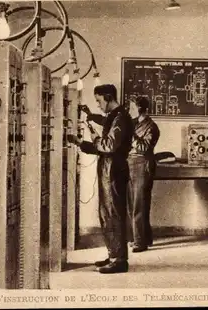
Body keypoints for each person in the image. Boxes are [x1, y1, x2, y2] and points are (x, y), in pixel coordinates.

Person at [67, 84, 134, 274]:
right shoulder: (115, 117)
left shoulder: (121, 117)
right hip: (108, 167)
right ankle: (113, 254)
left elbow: (109, 145)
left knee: (113, 213)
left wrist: (94, 140)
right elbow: (104, 139)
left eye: (98, 101)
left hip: (113, 169)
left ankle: (119, 260)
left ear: (108, 97)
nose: (98, 105)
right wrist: (82, 143)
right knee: (107, 213)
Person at [126, 96, 160, 253]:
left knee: (139, 204)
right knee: (133, 203)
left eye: (132, 108)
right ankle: (144, 238)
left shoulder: (152, 127)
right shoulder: (134, 124)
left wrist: (130, 135)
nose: (129, 110)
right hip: (132, 164)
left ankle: (140, 242)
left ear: (140, 109)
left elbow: (144, 148)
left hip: (142, 165)